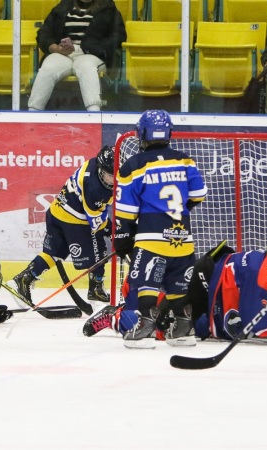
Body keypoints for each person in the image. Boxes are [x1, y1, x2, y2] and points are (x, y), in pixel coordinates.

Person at [85, 110, 207, 350]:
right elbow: (198, 195)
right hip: (183, 239)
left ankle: (144, 327)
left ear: (141, 134)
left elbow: (126, 209)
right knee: (178, 285)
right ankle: (183, 329)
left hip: (151, 240)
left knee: (144, 283)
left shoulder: (133, 166)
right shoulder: (185, 160)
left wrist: (123, 235)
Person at [10, 145, 114, 308]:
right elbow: (97, 222)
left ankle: (24, 279)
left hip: (56, 212)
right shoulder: (94, 188)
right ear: (102, 170)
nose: (111, 180)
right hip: (73, 221)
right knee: (99, 247)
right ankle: (96, 289)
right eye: (109, 176)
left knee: (54, 253)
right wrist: (114, 230)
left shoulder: (97, 164)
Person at [189, 237, 267, 344]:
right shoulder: (264, 272)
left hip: (216, 274)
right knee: (198, 326)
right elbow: (255, 319)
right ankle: (183, 320)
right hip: (206, 284)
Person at [27, 0, 126, 112]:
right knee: (48, 68)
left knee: (86, 67)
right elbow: (43, 33)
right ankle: (33, 112)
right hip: (63, 53)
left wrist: (95, 48)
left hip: (91, 54)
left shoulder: (108, 8)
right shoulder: (63, 7)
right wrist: (55, 48)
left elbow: (119, 36)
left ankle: (94, 113)